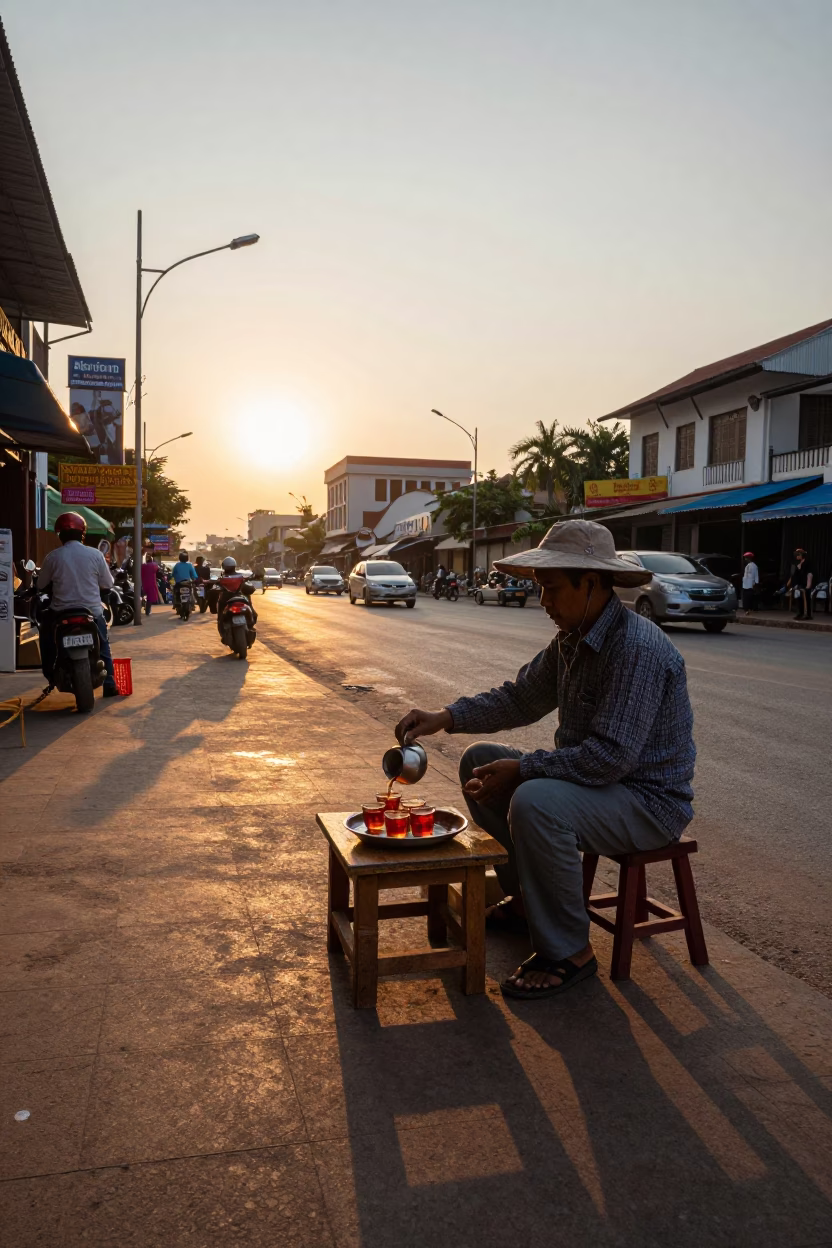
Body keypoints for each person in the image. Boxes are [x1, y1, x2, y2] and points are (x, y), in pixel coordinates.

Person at [395, 519, 695, 1002]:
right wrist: (444, 718)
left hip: (647, 801)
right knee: (481, 760)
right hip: (601, 786)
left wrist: (527, 769)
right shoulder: (572, 641)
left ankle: (569, 952)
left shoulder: (636, 649)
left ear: (591, 584)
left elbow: (608, 759)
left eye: (552, 589)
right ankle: (526, 904)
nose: (544, 602)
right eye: (541, 589)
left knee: (535, 800)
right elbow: (518, 699)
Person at [36, 512, 117, 697]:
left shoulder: (53, 557)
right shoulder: (96, 555)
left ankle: (50, 673)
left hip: (60, 613)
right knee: (103, 644)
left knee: (47, 638)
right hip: (92, 612)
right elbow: (108, 584)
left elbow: (41, 585)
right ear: (83, 533)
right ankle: (110, 683)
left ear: (59, 535)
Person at [791, 547, 814, 620]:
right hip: (800, 584)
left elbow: (810, 574)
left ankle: (807, 614)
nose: (797, 556)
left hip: (806, 583)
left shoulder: (807, 563)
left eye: (798, 554)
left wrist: (808, 585)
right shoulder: (798, 563)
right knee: (799, 598)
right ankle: (799, 613)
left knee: (806, 599)